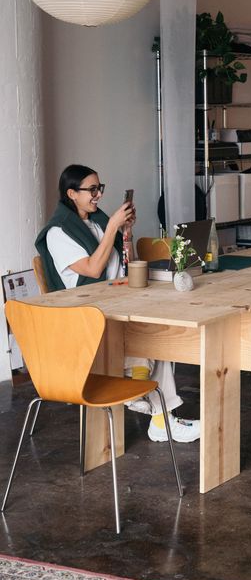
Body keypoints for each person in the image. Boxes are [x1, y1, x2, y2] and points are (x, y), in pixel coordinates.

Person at [35, 164, 200, 443]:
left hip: (116, 301)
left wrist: (126, 233)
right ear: (72, 193)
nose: (98, 194)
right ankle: (148, 402)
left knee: (160, 331)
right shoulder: (58, 232)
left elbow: (125, 262)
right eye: (92, 189)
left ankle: (152, 407)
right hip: (87, 317)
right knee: (151, 334)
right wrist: (112, 226)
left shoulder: (96, 221)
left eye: (100, 188)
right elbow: (93, 269)